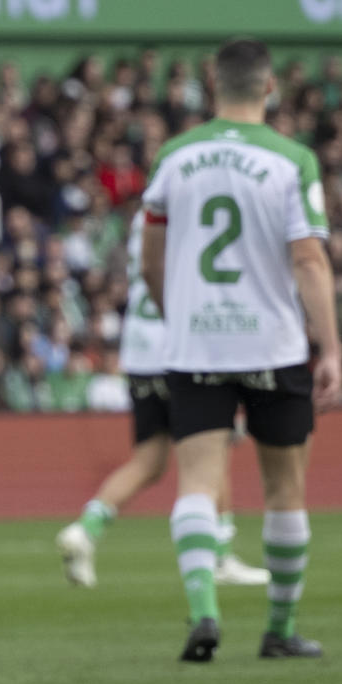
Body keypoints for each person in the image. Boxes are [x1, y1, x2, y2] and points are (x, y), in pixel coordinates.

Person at [140, 38, 341, 662]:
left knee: (198, 480)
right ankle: (279, 630)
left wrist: (176, 311)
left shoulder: (175, 156)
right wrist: (330, 346)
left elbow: (151, 250)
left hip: (195, 341)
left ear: (212, 84)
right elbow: (308, 258)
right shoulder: (291, 160)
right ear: (269, 86)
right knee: (285, 489)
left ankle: (204, 611)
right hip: (272, 344)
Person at [56, 207, 269, 589]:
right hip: (180, 349)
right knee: (212, 447)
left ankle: (86, 528)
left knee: (149, 461)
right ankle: (219, 554)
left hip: (139, 351)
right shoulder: (193, 209)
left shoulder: (144, 215)